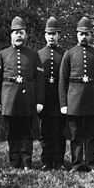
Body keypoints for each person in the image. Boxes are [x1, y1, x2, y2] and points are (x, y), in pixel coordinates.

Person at [0, 16, 45, 170]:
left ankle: (27, 162)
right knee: (12, 133)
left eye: (21, 32)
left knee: (27, 132)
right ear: (11, 36)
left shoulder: (33, 55)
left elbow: (39, 80)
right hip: (9, 99)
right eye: (16, 33)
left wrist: (39, 101)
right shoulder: (2, 54)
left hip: (28, 99)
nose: (19, 35)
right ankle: (14, 162)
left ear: (26, 35)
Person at [59, 16, 94, 172]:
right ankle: (77, 163)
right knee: (75, 134)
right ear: (76, 35)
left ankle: (91, 163)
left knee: (91, 134)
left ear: (91, 35)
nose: (84, 36)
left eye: (87, 34)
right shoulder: (69, 53)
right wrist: (64, 104)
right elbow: (63, 80)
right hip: (74, 100)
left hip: (92, 99)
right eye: (81, 34)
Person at [37, 16, 65, 170]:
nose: (51, 37)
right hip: (45, 98)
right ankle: (46, 161)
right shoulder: (39, 54)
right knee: (45, 132)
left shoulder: (65, 54)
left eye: (54, 34)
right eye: (49, 34)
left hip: (59, 99)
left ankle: (59, 161)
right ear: (45, 35)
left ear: (58, 35)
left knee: (60, 132)